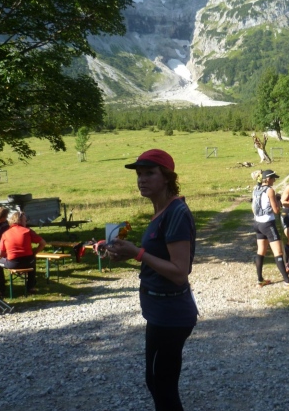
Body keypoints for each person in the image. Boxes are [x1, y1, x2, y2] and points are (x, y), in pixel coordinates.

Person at [106, 149, 197, 411]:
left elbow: (179, 272)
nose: (142, 179)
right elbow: (157, 257)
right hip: (158, 309)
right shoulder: (161, 211)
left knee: (163, 386)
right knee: (156, 381)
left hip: (171, 312)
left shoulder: (176, 213)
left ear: (167, 177)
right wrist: (127, 254)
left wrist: (138, 253)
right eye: (139, 174)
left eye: (149, 173)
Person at [252, 169, 289, 289]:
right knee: (278, 253)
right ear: (267, 179)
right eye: (273, 178)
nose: (274, 180)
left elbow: (254, 207)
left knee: (261, 251)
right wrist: (278, 201)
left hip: (257, 223)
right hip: (268, 224)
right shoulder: (270, 190)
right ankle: (287, 281)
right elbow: (276, 210)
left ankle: (260, 280)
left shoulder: (256, 189)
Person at [0, 211, 46, 296]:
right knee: (33, 259)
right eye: (25, 220)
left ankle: (0, 289)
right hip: (28, 262)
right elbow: (43, 243)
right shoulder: (28, 231)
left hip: (13, 263)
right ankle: (31, 287)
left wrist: (7, 254)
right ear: (20, 221)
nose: (26, 222)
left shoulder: (6, 234)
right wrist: (34, 252)